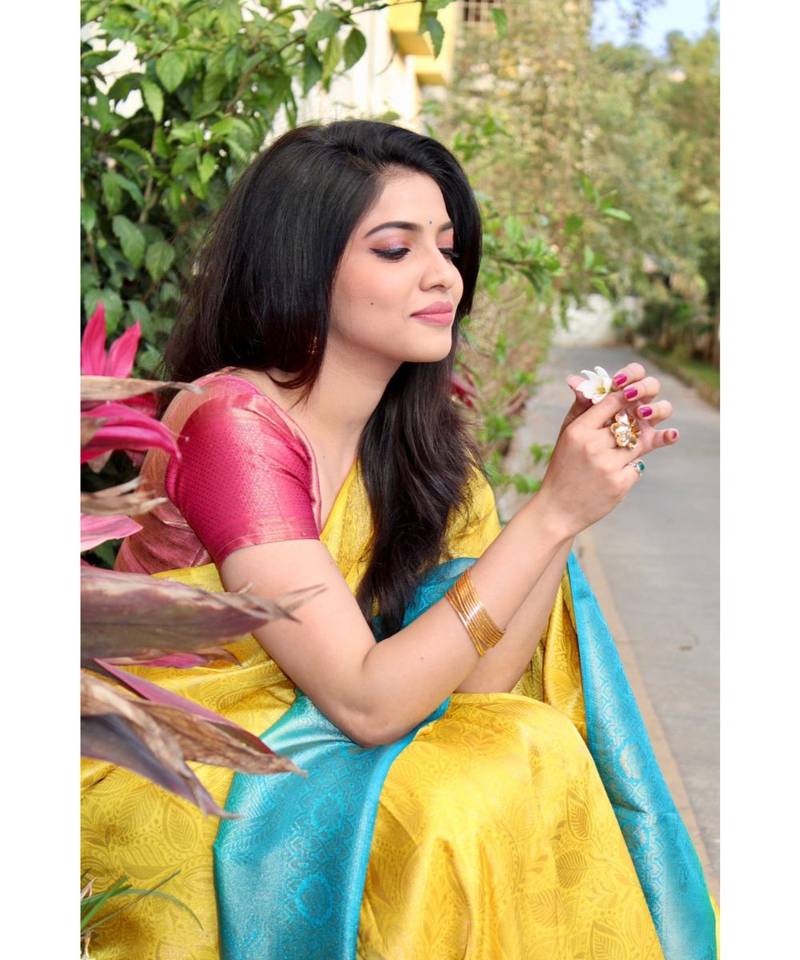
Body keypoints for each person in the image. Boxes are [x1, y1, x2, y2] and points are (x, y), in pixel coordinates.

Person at [81, 120, 717, 959]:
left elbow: (478, 680)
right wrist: (549, 514)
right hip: (180, 759)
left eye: (447, 247)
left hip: (314, 734)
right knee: (449, 804)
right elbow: (368, 703)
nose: (442, 275)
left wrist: (570, 514)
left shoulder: (418, 440)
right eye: (394, 248)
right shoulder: (233, 424)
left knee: (527, 745)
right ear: (302, 269)